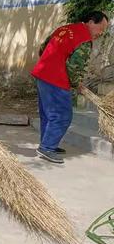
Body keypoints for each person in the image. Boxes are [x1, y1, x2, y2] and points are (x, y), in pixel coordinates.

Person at [31, 11, 109, 164]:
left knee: (48, 113)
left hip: (42, 74)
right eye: (101, 28)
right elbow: (75, 67)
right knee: (62, 115)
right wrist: (76, 83)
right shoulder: (84, 38)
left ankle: (47, 144)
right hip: (56, 79)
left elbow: (43, 48)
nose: (101, 33)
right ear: (91, 21)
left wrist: (51, 62)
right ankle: (47, 147)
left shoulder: (64, 29)